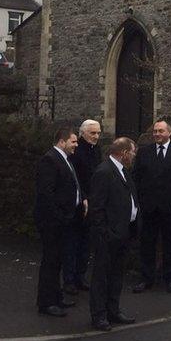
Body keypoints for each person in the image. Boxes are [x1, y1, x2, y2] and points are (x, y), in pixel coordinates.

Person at [132, 119, 171, 293]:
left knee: (170, 243)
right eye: (155, 131)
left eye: (160, 131)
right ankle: (146, 278)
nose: (157, 134)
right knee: (147, 244)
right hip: (148, 207)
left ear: (169, 133)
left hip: (170, 207)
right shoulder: (144, 152)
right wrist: (137, 202)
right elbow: (136, 178)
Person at [88, 137, 139, 331]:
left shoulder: (123, 171)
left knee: (117, 274)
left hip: (123, 233)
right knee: (102, 276)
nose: (134, 156)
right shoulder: (104, 172)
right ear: (124, 152)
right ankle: (99, 315)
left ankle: (113, 310)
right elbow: (97, 207)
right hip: (108, 236)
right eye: (132, 152)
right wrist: (105, 233)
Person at [34, 128, 81, 317]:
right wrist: (59, 217)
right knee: (50, 262)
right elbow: (46, 193)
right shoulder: (50, 160)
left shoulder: (64, 159)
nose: (76, 145)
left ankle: (57, 297)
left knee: (58, 261)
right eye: (74, 141)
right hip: (52, 222)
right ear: (62, 142)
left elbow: (72, 185)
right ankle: (46, 303)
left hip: (63, 220)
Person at [63, 119, 102, 295]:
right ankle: (69, 280)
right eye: (93, 133)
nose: (96, 136)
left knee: (86, 243)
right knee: (72, 243)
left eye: (98, 133)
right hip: (77, 204)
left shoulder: (97, 150)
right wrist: (84, 197)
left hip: (92, 204)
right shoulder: (76, 151)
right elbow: (74, 178)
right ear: (83, 133)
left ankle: (80, 277)